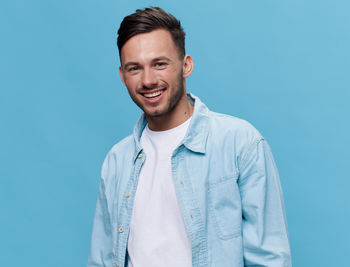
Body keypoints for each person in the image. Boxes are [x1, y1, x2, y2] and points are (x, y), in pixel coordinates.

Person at [87, 6, 291, 267]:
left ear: (186, 65)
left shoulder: (241, 144)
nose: (148, 80)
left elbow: (270, 258)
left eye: (159, 64)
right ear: (122, 76)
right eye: (135, 68)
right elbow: (101, 260)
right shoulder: (116, 161)